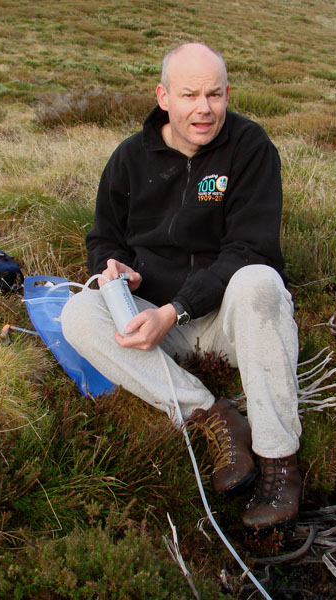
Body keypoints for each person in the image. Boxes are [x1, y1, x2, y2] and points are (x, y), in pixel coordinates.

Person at [61, 42, 302, 531]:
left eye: (215, 94)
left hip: (229, 322)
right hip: (156, 318)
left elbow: (251, 249)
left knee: (261, 282)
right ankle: (212, 416)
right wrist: (115, 270)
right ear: (163, 96)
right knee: (78, 314)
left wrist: (176, 309)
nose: (204, 108)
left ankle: (279, 464)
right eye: (190, 94)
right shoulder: (129, 158)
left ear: (227, 94)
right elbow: (103, 236)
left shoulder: (251, 149)